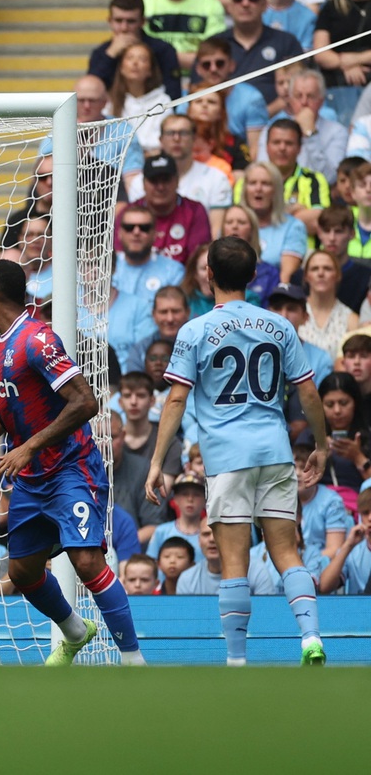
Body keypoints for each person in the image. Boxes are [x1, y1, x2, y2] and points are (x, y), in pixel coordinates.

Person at [0, 260, 146, 665]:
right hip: (32, 479)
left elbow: (85, 401)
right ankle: (76, 631)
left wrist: (28, 447)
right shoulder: (1, 347)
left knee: (87, 561)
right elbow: (1, 415)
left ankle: (133, 660)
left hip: (70, 469)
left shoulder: (37, 339)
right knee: (23, 573)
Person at [152, 236, 328, 666]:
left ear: (208, 273)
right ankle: (310, 637)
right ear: (253, 276)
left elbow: (176, 400)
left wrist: (158, 462)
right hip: (275, 452)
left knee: (233, 562)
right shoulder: (280, 325)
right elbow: (306, 390)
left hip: (227, 459)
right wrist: (321, 445)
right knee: (287, 552)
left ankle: (236, 659)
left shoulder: (194, 330)